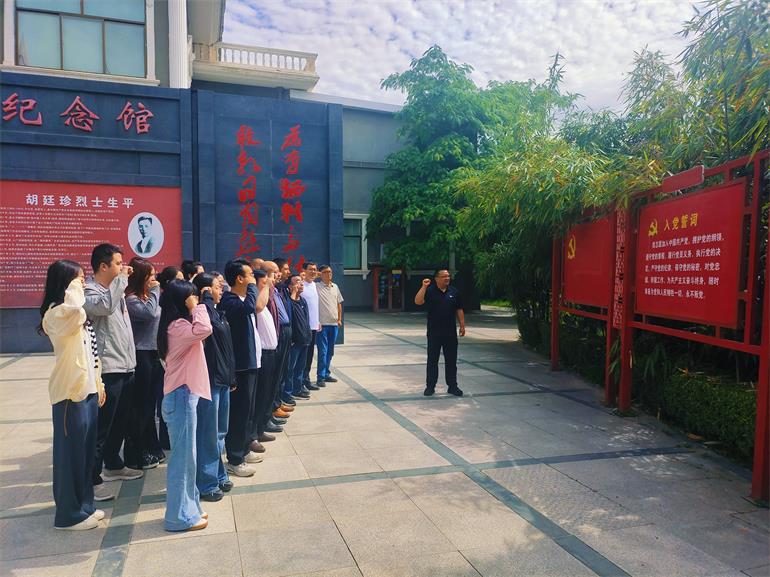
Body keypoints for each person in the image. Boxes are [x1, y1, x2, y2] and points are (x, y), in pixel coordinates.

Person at [40, 260, 107, 530]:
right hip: (69, 395)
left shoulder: (76, 313)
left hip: (87, 391)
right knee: (69, 456)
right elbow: (74, 311)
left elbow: (91, 354)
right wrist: (74, 290)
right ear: (65, 284)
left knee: (85, 454)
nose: (83, 283)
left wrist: (99, 384)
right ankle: (68, 515)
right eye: (78, 279)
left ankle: (84, 506)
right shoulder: (56, 314)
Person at [84, 244, 142, 503]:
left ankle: (114, 465)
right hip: (108, 368)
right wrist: (120, 281)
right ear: (103, 266)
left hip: (126, 365)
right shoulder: (89, 291)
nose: (122, 268)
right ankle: (92, 479)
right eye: (118, 263)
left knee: (120, 421)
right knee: (102, 427)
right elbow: (105, 308)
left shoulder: (115, 290)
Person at [158, 280, 212, 532]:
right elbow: (205, 329)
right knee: (182, 460)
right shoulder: (177, 327)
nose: (195, 300)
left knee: (189, 459)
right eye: (190, 297)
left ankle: (190, 508)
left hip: (183, 396)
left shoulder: (178, 325)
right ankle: (178, 517)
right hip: (180, 398)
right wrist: (196, 307)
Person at [218, 259, 264, 477]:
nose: (253, 279)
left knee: (248, 411)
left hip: (250, 363)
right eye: (250, 275)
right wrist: (255, 287)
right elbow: (249, 308)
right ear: (239, 279)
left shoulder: (241, 299)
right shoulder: (230, 300)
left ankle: (244, 450)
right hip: (240, 366)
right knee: (238, 414)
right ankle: (235, 459)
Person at [192, 273, 235, 500]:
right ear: (206, 291)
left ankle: (218, 475)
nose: (222, 291)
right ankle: (206, 483)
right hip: (209, 381)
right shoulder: (202, 312)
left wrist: (231, 377)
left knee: (219, 433)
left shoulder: (217, 312)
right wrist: (206, 298)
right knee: (208, 434)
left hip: (222, 379)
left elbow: (226, 348)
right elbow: (207, 329)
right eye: (217, 287)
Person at [124, 257, 163, 470]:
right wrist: (156, 291)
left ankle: (152, 448)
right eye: (151, 276)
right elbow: (148, 314)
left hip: (153, 354)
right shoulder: (132, 300)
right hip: (141, 355)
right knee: (141, 407)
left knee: (150, 406)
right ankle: (136, 454)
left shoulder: (148, 297)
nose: (154, 279)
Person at [414, 269, 465, 397]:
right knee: (432, 360)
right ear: (436, 278)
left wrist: (462, 325)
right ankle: (430, 387)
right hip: (434, 333)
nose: (447, 278)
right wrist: (424, 286)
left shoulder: (454, 292)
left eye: (448, 276)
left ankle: (452, 386)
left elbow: (459, 309)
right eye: (444, 276)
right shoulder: (430, 291)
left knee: (451, 361)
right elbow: (418, 301)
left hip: (450, 333)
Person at [316, 265, 344, 386]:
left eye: (330, 272)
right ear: (320, 274)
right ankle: (320, 377)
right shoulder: (316, 286)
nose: (329, 274)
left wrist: (339, 319)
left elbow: (339, 304)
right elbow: (306, 278)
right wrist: (318, 274)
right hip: (322, 325)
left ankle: (326, 373)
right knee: (323, 351)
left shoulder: (335, 287)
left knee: (330, 351)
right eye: (325, 272)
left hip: (334, 324)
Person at [286, 274, 312, 400]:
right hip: (294, 341)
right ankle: (288, 392)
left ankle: (298, 388)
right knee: (290, 368)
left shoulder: (303, 300)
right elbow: (290, 310)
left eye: (301, 281)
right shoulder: (288, 300)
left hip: (304, 339)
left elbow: (306, 320)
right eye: (297, 282)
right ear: (290, 286)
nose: (301, 284)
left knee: (300, 367)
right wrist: (293, 294)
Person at [301, 262, 321, 391]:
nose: (313, 272)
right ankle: (300, 382)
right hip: (303, 327)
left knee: (309, 356)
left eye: (315, 269)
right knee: (302, 357)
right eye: (310, 269)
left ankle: (306, 379)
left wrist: (318, 321)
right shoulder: (301, 285)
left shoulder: (314, 285)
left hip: (313, 326)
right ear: (304, 270)